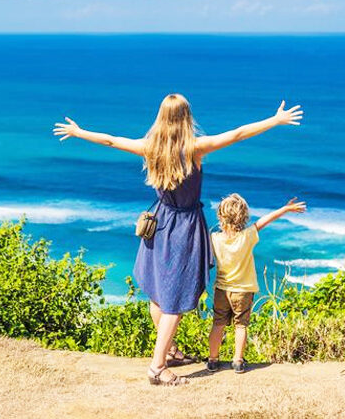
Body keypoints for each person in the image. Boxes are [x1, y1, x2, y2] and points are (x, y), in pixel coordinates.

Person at [53, 94, 303, 386]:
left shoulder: (150, 148)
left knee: (159, 293)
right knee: (173, 299)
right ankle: (157, 367)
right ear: (187, 118)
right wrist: (275, 120)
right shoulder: (194, 149)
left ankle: (169, 351)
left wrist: (79, 132)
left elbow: (110, 140)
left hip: (159, 224)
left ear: (160, 117)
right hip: (184, 228)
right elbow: (237, 134)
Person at [207, 194, 306, 374]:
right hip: (243, 291)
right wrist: (285, 209)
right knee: (241, 325)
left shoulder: (214, 238)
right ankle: (237, 361)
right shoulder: (247, 236)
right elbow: (264, 221)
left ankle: (213, 360)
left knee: (218, 324)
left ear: (220, 216)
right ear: (243, 217)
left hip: (222, 289)